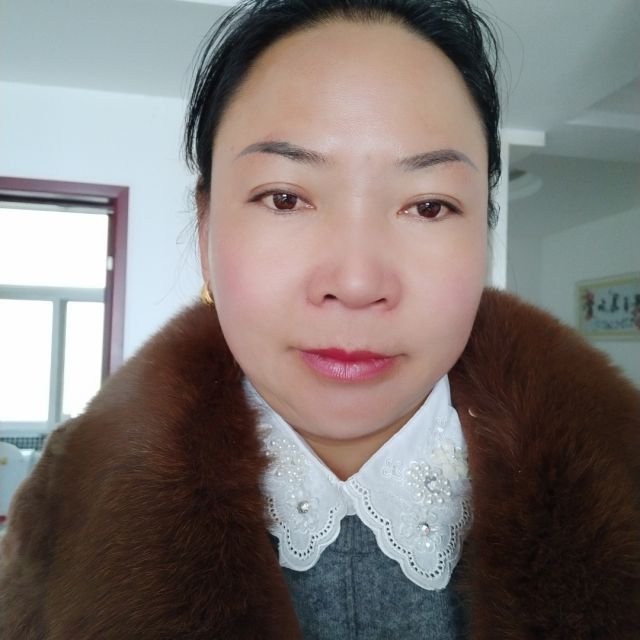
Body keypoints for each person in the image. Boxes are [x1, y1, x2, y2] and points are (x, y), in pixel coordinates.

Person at [1, 0, 638, 637]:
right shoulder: (64, 509)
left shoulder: (623, 476)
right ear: (205, 230)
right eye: (285, 198)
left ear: (484, 235)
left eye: (429, 206)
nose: (356, 284)